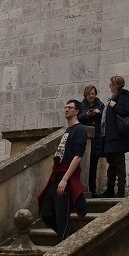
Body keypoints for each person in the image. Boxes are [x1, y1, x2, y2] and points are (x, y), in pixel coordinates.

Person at [37, 99, 88, 239]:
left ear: (77, 111)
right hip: (57, 175)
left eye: (70, 107)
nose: (66, 109)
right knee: (46, 214)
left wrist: (65, 179)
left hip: (66, 177)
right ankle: (72, 236)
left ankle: (64, 241)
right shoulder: (67, 130)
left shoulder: (80, 130)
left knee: (62, 217)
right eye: (66, 107)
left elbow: (78, 156)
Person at [98, 75, 129, 198]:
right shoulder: (112, 97)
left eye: (111, 84)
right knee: (111, 163)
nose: (109, 86)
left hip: (117, 136)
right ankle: (110, 188)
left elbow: (127, 110)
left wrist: (115, 106)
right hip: (109, 135)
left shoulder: (122, 95)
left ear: (117, 85)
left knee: (119, 163)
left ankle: (121, 190)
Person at [77, 84, 105, 197]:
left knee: (93, 166)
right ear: (86, 95)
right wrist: (87, 115)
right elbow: (78, 118)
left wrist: (99, 113)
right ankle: (81, 190)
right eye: (89, 94)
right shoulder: (81, 105)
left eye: (93, 93)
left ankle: (93, 190)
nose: (91, 96)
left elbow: (105, 118)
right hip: (84, 140)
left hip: (97, 140)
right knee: (83, 166)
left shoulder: (100, 104)